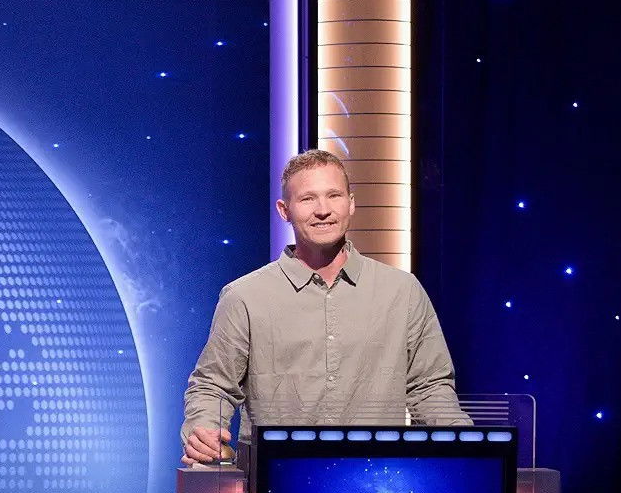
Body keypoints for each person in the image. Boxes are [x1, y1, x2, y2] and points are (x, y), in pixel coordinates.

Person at [181, 149, 468, 465]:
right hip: (276, 480)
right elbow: (213, 386)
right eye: (308, 199)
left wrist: (470, 449)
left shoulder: (402, 291)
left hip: (379, 478)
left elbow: (430, 388)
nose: (323, 210)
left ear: (351, 203)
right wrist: (205, 430)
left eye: (334, 196)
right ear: (284, 210)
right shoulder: (245, 296)